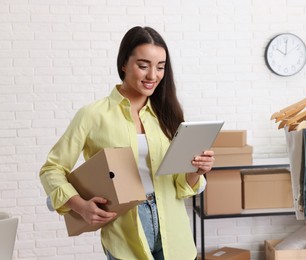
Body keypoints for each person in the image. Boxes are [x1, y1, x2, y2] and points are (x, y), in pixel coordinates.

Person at [39, 26, 215, 260]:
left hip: (174, 230)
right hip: (125, 232)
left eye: (160, 67)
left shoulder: (168, 114)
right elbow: (52, 169)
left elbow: (180, 186)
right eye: (143, 66)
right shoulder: (93, 115)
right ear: (123, 64)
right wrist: (80, 206)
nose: (153, 75)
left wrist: (197, 170)